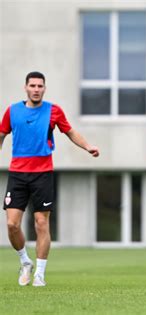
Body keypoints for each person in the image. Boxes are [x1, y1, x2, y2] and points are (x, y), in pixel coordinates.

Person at [0, 71, 100, 287]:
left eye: (40, 86)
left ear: (44, 88)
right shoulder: (12, 111)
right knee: (11, 225)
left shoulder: (53, 111)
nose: (36, 89)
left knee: (41, 222)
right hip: (17, 173)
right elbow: (1, 135)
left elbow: (70, 132)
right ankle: (25, 262)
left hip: (43, 173)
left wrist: (88, 146)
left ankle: (40, 274)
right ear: (25, 87)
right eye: (33, 85)